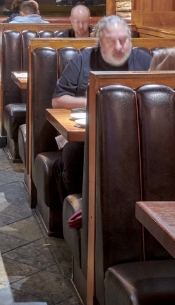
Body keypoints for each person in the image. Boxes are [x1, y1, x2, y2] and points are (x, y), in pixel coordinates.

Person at [52, 16, 151, 204]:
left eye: (124, 40)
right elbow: (58, 100)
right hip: (88, 134)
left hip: (135, 134)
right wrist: (91, 101)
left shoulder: (145, 61)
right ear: (99, 42)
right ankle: (82, 206)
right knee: (73, 152)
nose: (120, 47)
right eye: (111, 41)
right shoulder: (82, 60)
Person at [0, 0, 46, 84]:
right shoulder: (49, 27)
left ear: (21, 13)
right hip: (43, 70)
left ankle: (1, 97)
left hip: (11, 70)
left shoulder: (8, 27)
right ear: (37, 12)